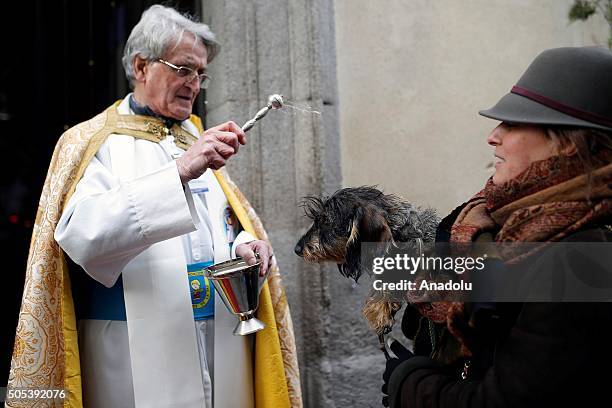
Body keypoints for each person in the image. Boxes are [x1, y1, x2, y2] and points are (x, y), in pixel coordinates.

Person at [6, 5, 300, 408]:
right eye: (183, 69)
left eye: (200, 74)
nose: (195, 85)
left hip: (221, 340)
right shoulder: (92, 142)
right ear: (142, 66)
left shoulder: (191, 135)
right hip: (130, 349)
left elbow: (220, 223)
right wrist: (178, 172)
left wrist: (243, 245)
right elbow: (81, 237)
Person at [382, 46, 612, 407]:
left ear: (567, 143)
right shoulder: (492, 220)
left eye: (514, 123)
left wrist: (410, 384)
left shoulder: (582, 253)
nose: (493, 136)